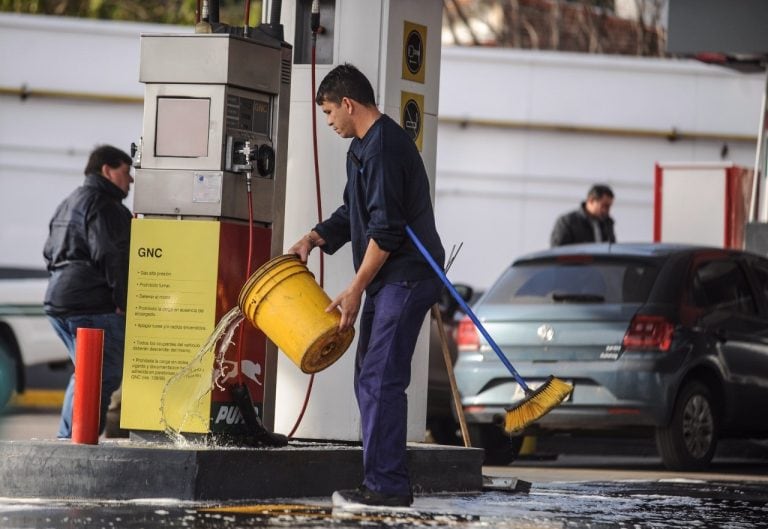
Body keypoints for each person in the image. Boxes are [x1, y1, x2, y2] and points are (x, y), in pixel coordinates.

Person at [288, 63, 445, 508]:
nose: (328, 120)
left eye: (328, 111)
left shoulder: (384, 149)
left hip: (408, 277)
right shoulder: (361, 149)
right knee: (369, 378)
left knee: (381, 379)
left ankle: (388, 487)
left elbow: (387, 232)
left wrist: (355, 288)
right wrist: (314, 238)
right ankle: (381, 479)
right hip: (387, 280)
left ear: (349, 104)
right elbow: (352, 213)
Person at [43, 145, 133, 439]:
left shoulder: (69, 201)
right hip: (93, 305)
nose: (130, 180)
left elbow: (48, 252)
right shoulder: (106, 206)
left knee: (85, 374)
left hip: (58, 301)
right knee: (100, 377)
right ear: (107, 170)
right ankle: (77, 444)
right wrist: (122, 301)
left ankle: (68, 441)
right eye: (125, 171)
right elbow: (112, 255)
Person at [550, 184, 616, 246]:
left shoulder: (607, 223)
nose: (607, 210)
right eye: (604, 206)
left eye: (609, 206)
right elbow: (558, 251)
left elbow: (612, 249)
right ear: (591, 201)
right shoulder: (567, 222)